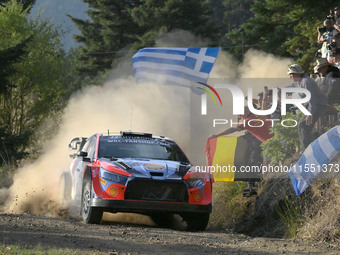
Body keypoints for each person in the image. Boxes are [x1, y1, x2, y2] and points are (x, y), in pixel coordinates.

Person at [287, 64, 328, 151]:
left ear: (297, 74)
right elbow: (292, 86)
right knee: (304, 126)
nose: (290, 76)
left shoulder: (306, 82)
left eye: (292, 74)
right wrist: (278, 89)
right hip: (314, 104)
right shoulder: (299, 81)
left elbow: (312, 100)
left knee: (303, 126)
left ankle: (306, 150)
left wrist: (310, 114)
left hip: (318, 105)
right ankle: (311, 146)